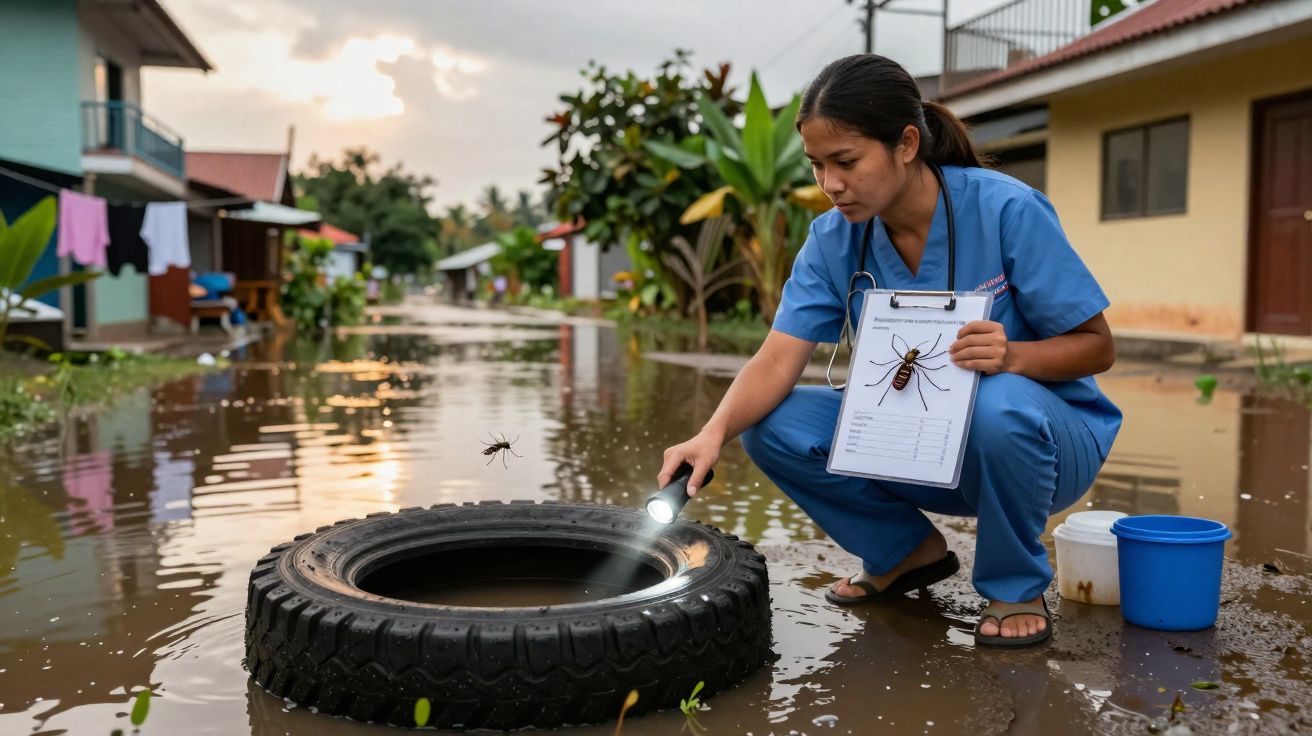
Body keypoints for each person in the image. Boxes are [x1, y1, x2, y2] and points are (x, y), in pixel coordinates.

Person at [657, 54, 1121, 647]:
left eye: (846, 161)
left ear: (906, 143)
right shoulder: (833, 238)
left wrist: (1015, 356)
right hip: (917, 442)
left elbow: (1098, 347)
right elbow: (777, 357)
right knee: (771, 425)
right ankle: (906, 552)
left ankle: (1014, 585)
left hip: (1038, 445)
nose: (830, 184)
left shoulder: (1006, 210)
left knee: (997, 401)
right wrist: (712, 433)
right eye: (818, 165)